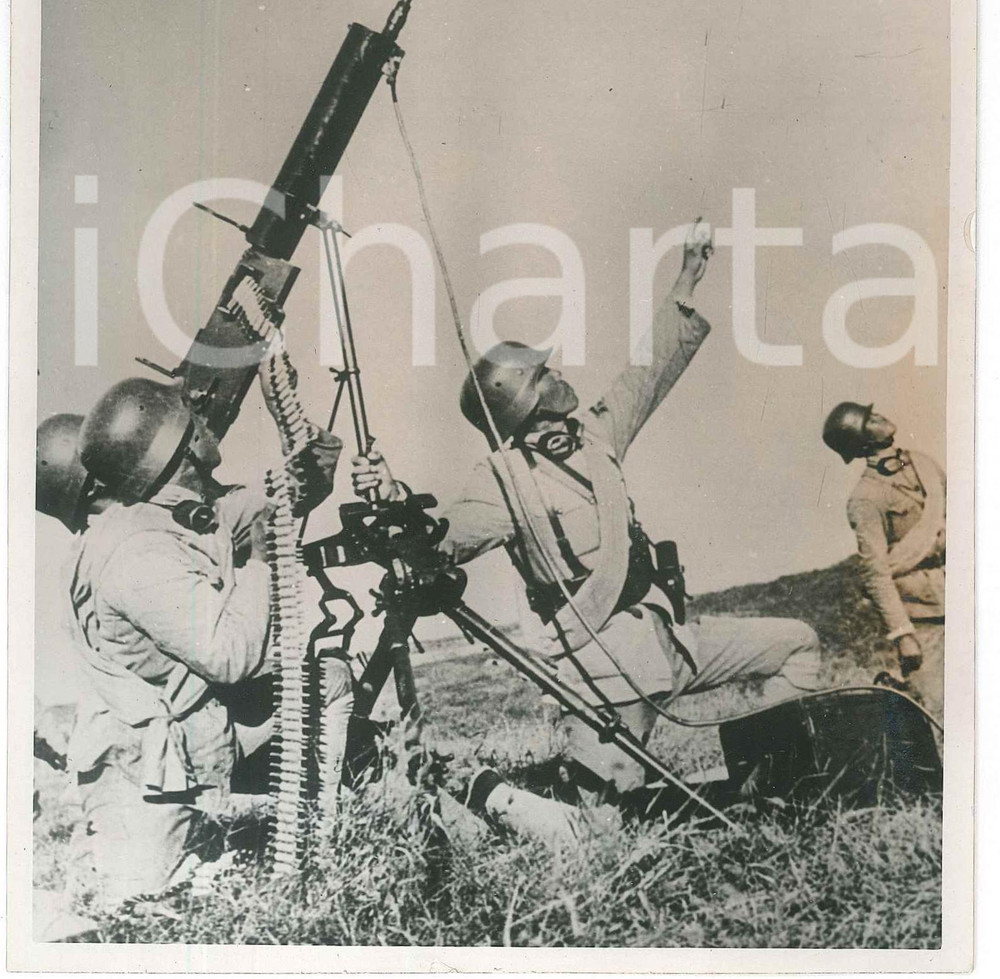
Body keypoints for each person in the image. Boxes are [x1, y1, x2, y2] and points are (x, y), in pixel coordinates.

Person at [353, 222, 821, 799]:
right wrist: (394, 496)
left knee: (795, 644)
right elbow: (443, 538)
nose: (561, 375)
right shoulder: (503, 481)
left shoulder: (595, 436)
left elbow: (646, 374)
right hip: (607, 668)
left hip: (672, 639)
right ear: (523, 399)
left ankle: (774, 782)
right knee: (603, 823)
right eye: (545, 374)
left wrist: (687, 278)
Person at [63, 376, 344, 908]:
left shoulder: (180, 513)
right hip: (146, 771)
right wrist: (260, 563)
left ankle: (319, 839)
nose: (207, 427)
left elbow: (278, 501)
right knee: (141, 903)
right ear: (183, 446)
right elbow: (229, 656)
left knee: (328, 681)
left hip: (191, 737)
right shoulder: (140, 551)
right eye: (195, 423)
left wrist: (305, 444)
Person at [822, 402, 945, 723]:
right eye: (869, 421)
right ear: (862, 443)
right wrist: (903, 634)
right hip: (924, 616)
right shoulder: (866, 498)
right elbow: (875, 573)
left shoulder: (923, 464)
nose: (880, 416)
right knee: (940, 709)